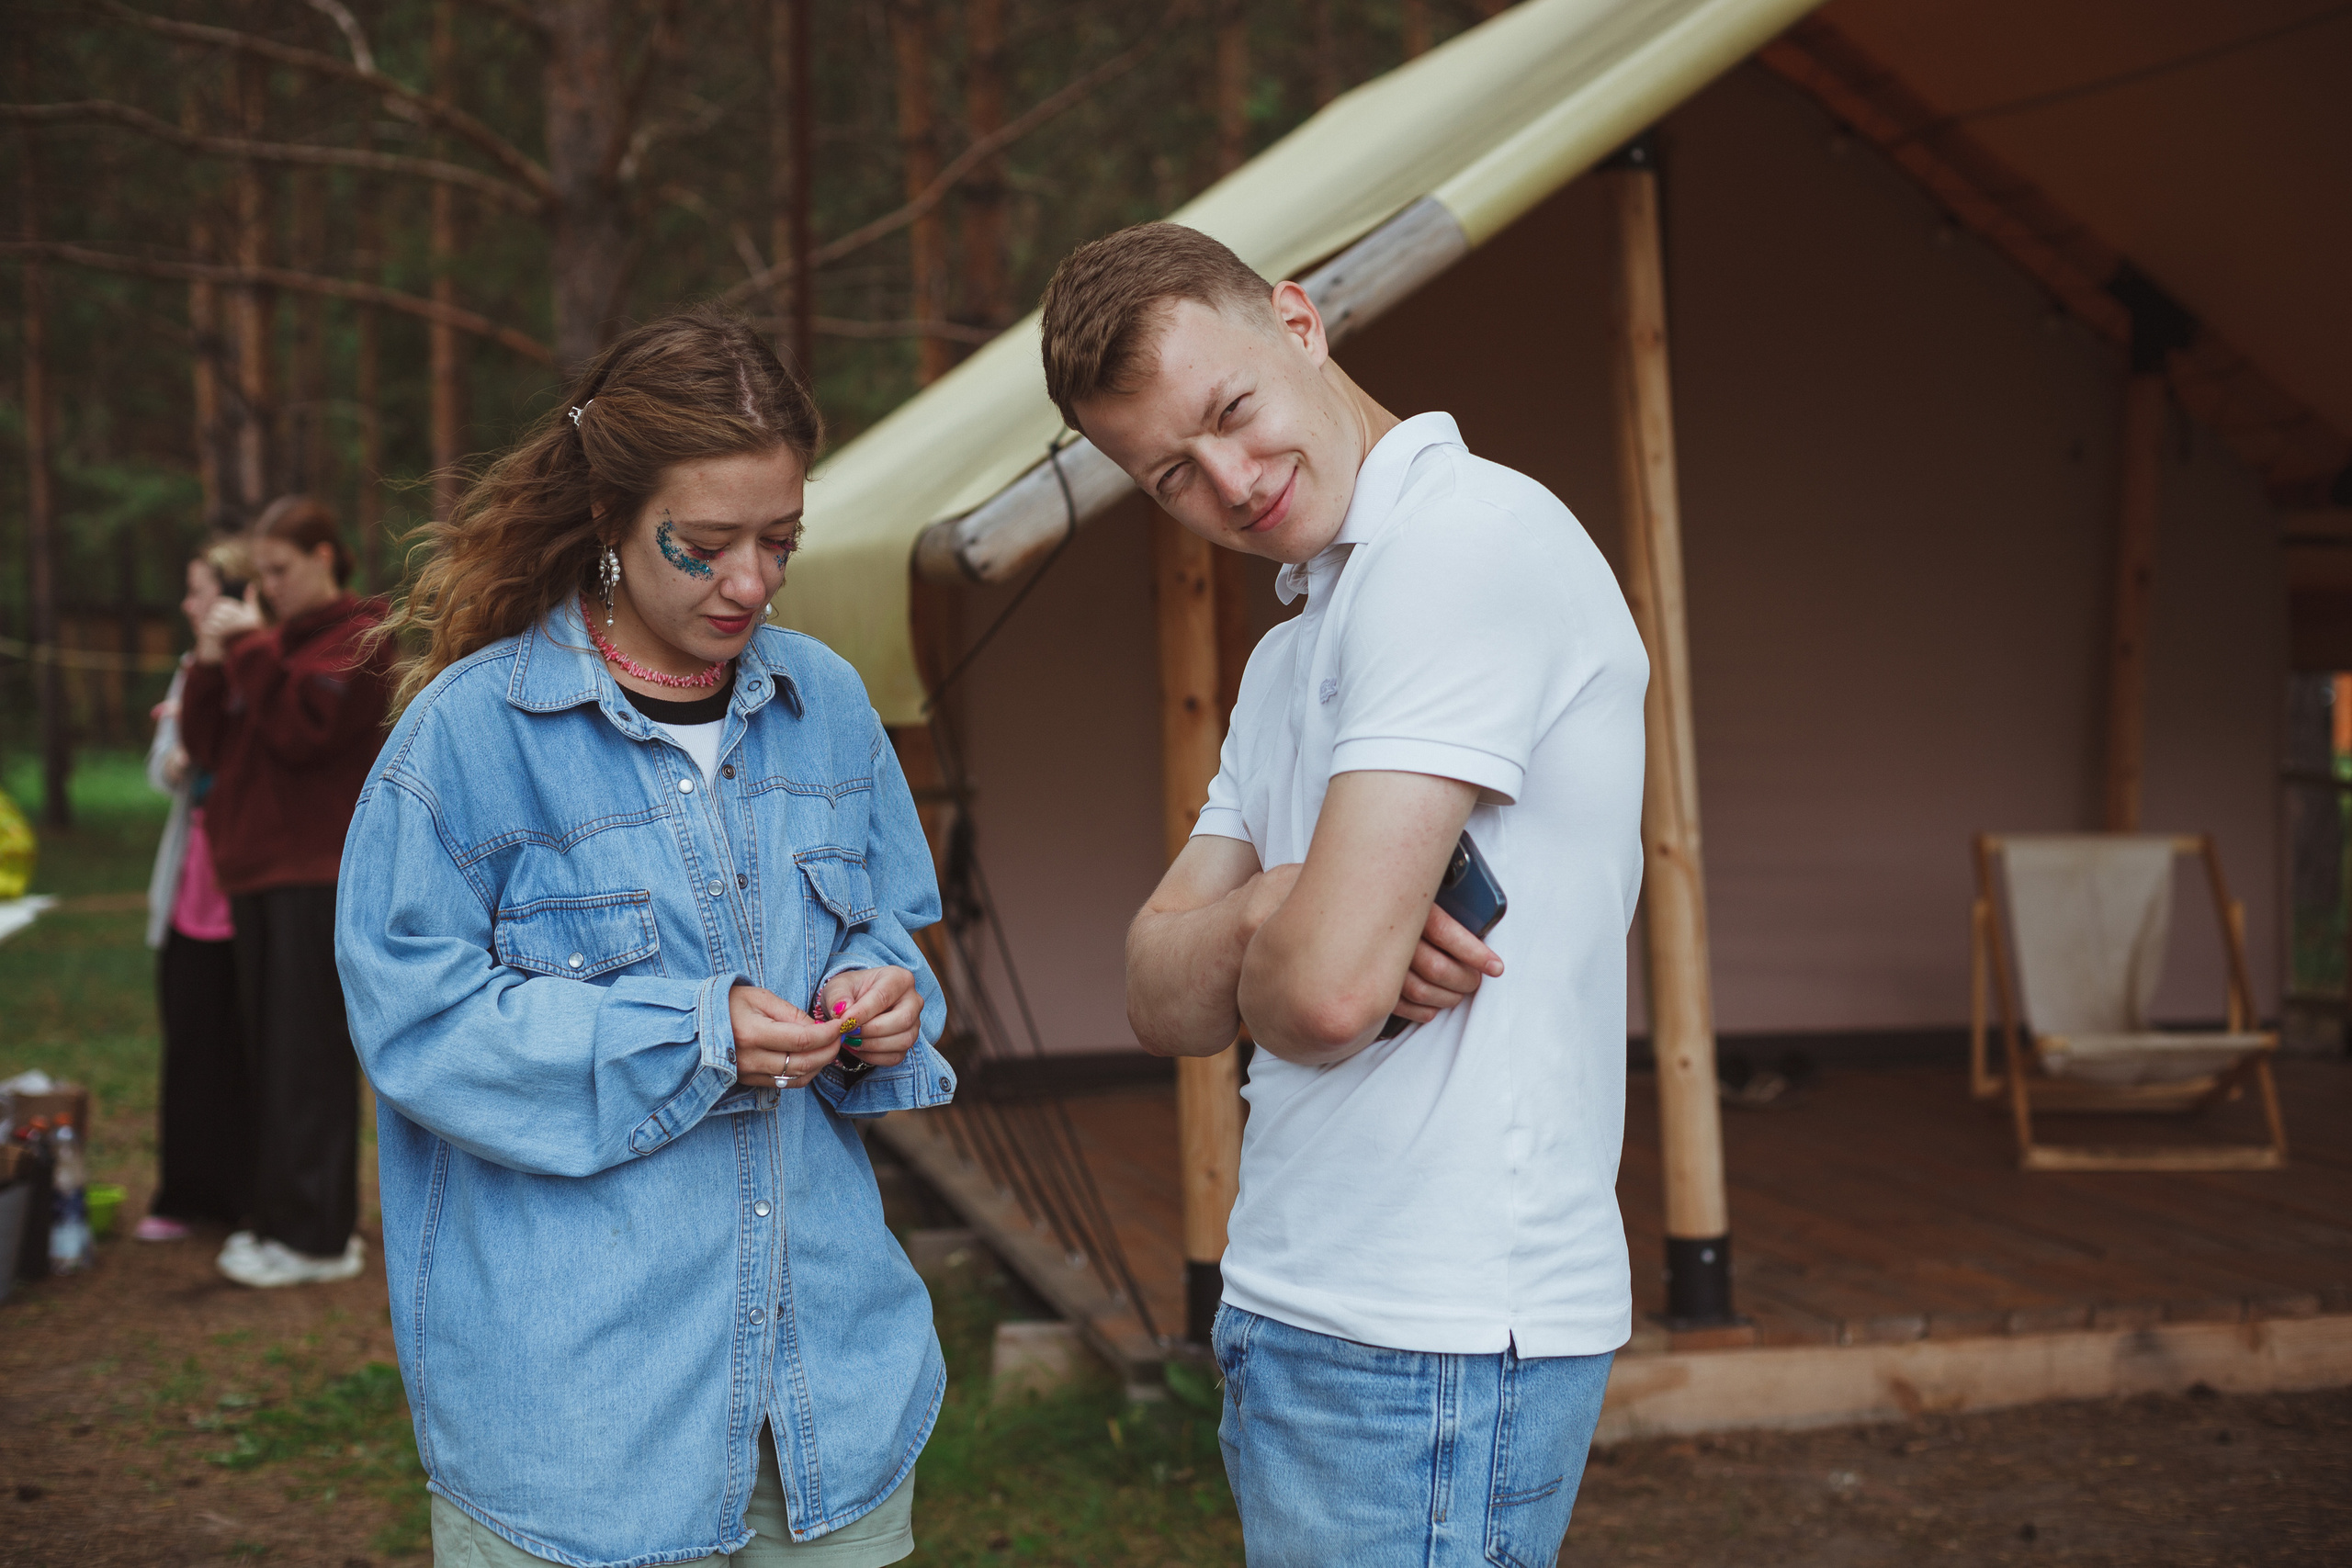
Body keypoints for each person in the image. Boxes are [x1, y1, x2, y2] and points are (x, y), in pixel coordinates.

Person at [1044, 224, 1646, 1566]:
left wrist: (1279, 933)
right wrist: (1279, 908)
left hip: (1431, 1329)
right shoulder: (1288, 653)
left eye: (1232, 413)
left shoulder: (1464, 542)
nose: (1232, 482)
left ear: (1299, 323)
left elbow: (1323, 999)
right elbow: (1152, 989)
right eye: (1170, 473)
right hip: (1300, 1303)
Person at [334, 307, 953, 1567]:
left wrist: (879, 995)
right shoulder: (466, 740)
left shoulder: (827, 704)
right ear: (611, 524)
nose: (751, 582)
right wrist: (690, 1030)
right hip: (585, 1433)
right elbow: (417, 1022)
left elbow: (890, 923)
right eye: (704, 544)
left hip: (833, 1399)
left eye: (780, 540)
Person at [182, 496, 395, 1287]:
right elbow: (208, 745)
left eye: (280, 569)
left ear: (327, 556)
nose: (267, 588)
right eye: (259, 574)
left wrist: (247, 656)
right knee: (268, 1056)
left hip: (318, 872)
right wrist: (212, 662)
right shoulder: (269, 645)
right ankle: (282, 1220)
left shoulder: (360, 639)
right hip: (258, 872)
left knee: (307, 1056)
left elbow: (307, 734)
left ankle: (317, 1236)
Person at [135, 541, 255, 1243]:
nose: (188, 604)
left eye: (198, 589)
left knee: (245, 1044)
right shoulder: (190, 671)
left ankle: (245, 1193)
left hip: (252, 888)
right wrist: (179, 755)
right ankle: (183, 1192)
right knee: (189, 1040)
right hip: (191, 888)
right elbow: (161, 770)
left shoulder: (265, 664)